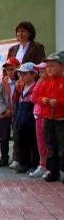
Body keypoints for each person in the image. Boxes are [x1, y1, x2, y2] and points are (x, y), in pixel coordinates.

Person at [35, 51, 64, 182]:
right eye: (48, 66)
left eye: (52, 65)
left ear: (62, 66)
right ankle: (52, 171)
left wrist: (59, 102)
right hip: (47, 119)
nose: (49, 68)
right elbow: (36, 96)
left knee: (62, 146)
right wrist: (43, 100)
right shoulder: (45, 82)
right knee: (50, 146)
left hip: (61, 120)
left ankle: (62, 172)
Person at [13, 62, 39, 174]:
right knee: (22, 143)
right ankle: (23, 163)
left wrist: (29, 118)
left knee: (33, 143)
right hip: (21, 120)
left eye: (25, 73)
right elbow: (18, 103)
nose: (21, 76)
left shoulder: (36, 87)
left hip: (31, 121)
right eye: (20, 74)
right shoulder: (22, 87)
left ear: (33, 74)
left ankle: (34, 164)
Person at [0, 57, 20, 167]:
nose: (10, 72)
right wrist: (4, 110)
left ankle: (16, 158)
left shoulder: (21, 82)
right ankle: (4, 157)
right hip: (6, 112)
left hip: (17, 113)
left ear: (18, 69)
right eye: (8, 69)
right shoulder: (3, 82)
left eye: (12, 69)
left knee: (17, 135)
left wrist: (15, 110)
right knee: (3, 136)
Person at [30, 62, 49, 178]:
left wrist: (41, 99)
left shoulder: (52, 82)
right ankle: (42, 165)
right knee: (40, 142)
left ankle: (49, 167)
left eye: (43, 71)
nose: (41, 73)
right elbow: (33, 97)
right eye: (40, 71)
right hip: (38, 114)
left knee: (48, 143)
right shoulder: (39, 82)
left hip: (47, 116)